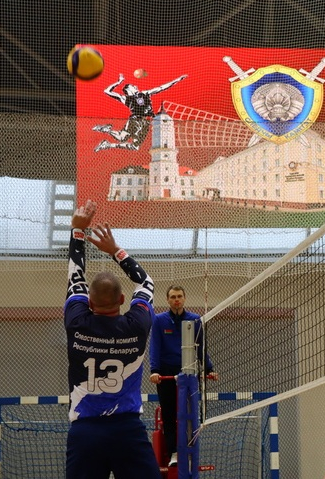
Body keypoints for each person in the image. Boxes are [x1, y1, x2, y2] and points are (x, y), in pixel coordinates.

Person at [64, 199, 160, 478]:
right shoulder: (137, 325)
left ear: (89, 302)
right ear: (122, 299)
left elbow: (75, 278)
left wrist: (78, 231)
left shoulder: (77, 322)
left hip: (85, 433)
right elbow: (146, 283)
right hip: (127, 432)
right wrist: (115, 251)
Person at [149, 285, 218, 467]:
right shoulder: (159, 320)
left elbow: (201, 347)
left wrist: (209, 369)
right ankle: (174, 453)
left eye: (179, 296)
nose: (176, 300)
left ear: (184, 298)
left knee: (189, 415)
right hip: (166, 373)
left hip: (188, 373)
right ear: (168, 300)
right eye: (173, 297)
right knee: (169, 415)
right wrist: (154, 371)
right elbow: (155, 347)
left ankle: (189, 452)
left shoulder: (195, 320)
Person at [93, 73, 187, 152]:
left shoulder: (144, 94)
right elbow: (107, 91)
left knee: (126, 141)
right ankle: (107, 136)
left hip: (144, 122)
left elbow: (161, 88)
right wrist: (119, 82)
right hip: (138, 121)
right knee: (130, 143)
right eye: (133, 86)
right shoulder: (125, 98)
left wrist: (177, 80)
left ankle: (107, 138)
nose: (136, 86)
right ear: (128, 89)